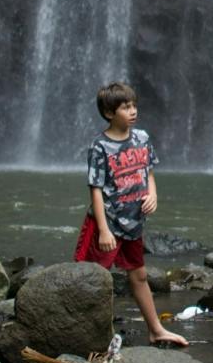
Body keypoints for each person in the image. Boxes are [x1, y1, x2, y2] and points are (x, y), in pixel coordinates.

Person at [75, 81, 188, 347]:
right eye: (126, 107)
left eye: (134, 105)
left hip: (134, 223)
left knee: (139, 275)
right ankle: (85, 334)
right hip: (107, 223)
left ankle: (156, 329)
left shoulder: (142, 138)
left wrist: (153, 194)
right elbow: (96, 189)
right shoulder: (99, 147)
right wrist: (103, 230)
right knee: (92, 280)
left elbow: (148, 172)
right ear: (109, 113)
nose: (133, 111)